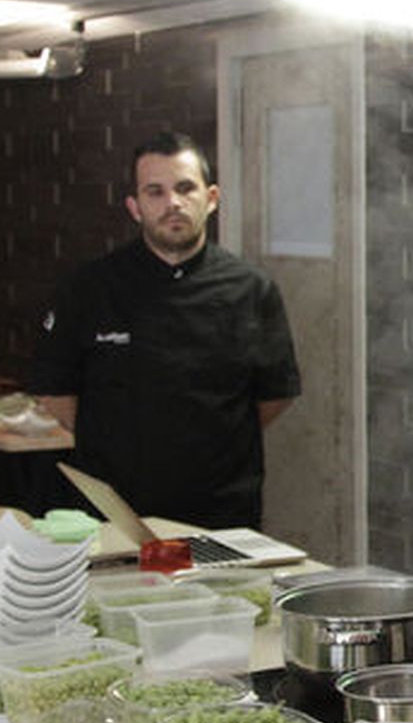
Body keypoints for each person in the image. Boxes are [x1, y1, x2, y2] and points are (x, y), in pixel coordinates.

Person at [29, 131, 301, 530]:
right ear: (134, 207)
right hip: (115, 515)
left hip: (222, 514)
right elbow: (56, 395)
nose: (172, 203)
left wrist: (203, 435)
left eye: (185, 188)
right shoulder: (89, 288)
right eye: (154, 192)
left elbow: (273, 398)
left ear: (211, 199)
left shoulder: (251, 289)